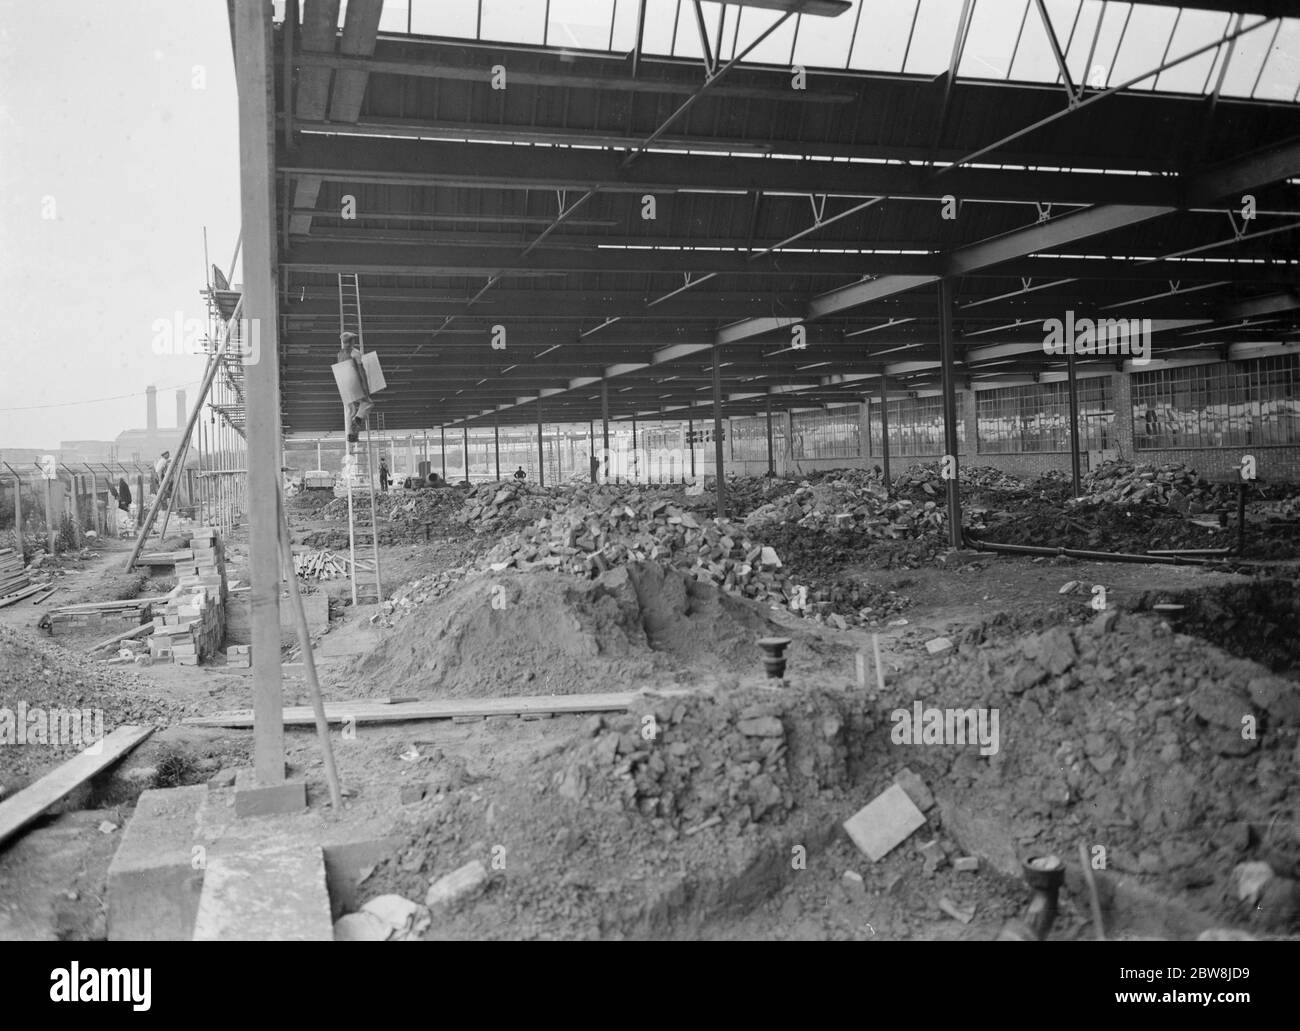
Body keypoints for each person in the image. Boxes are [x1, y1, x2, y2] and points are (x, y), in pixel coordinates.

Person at [337, 332, 374, 443]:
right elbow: (361, 370)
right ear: (352, 341)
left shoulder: (340, 354)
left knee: (351, 410)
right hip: (354, 383)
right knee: (368, 403)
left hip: (343, 385)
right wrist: (366, 387)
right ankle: (357, 419)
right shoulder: (355, 353)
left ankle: (351, 435)